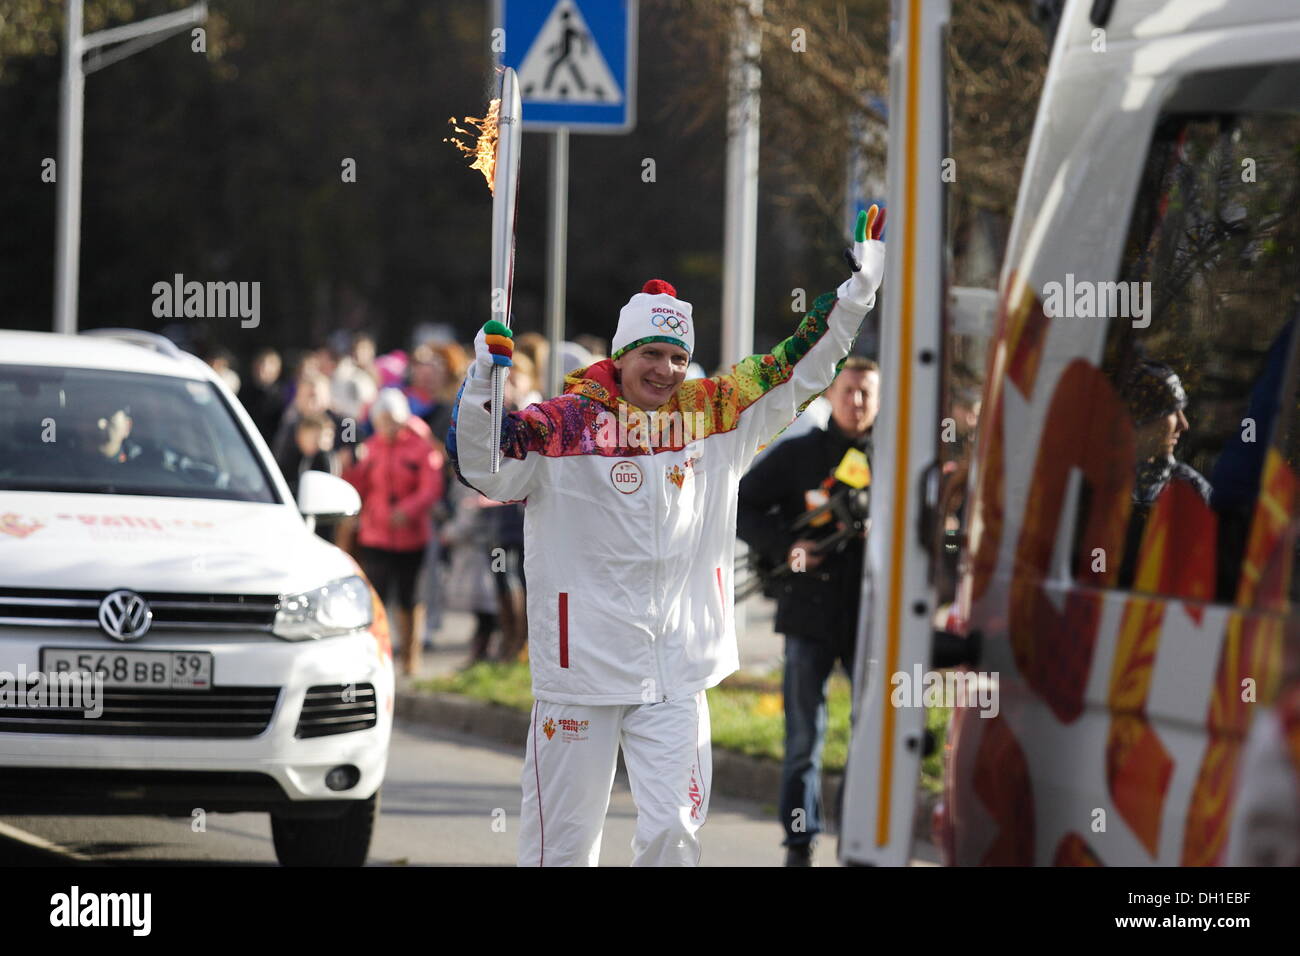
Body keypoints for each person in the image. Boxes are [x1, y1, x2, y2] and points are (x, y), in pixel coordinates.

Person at [448, 206, 886, 867]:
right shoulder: (560, 426)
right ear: (621, 355)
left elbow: (800, 365)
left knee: (672, 835)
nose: (664, 370)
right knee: (560, 852)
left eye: (677, 356)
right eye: (651, 354)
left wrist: (859, 291)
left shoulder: (716, 417)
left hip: (676, 670)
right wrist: (483, 384)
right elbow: (484, 465)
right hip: (581, 673)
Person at [736, 357, 879, 865]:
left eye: (866, 393)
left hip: (873, 620)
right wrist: (788, 545)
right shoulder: (800, 455)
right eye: (848, 391)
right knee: (804, 739)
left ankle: (860, 843)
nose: (856, 402)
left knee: (872, 739)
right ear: (831, 394)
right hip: (809, 613)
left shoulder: (898, 457)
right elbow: (742, 504)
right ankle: (800, 843)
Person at [344, 388, 444, 676]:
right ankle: (375, 656)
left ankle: (411, 657)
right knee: (376, 599)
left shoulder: (420, 447)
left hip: (411, 537)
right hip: (376, 535)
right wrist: (349, 468)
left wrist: (407, 510)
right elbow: (358, 487)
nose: (388, 426)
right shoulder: (370, 447)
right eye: (383, 420)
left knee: (409, 598)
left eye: (393, 420)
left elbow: (430, 488)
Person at [1118, 361, 1211, 587]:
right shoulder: (1086, 483)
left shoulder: (1189, 489)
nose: (1183, 424)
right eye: (1172, 411)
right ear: (1141, 417)